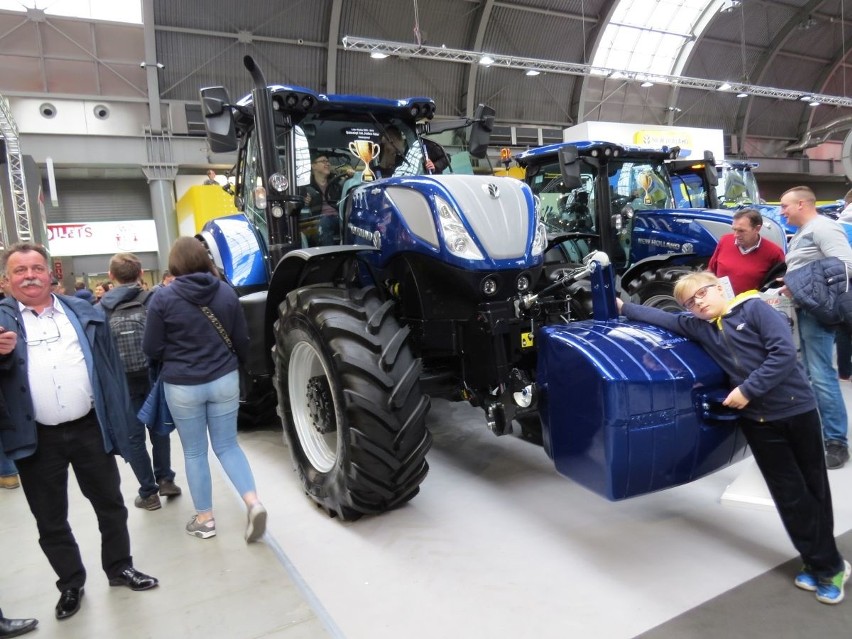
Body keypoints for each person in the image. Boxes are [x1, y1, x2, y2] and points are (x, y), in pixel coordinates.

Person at [617, 271, 850, 605]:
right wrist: (623, 307)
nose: (697, 303)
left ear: (718, 288)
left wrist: (747, 390)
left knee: (814, 488)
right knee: (790, 495)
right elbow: (663, 317)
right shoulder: (700, 327)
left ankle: (820, 560)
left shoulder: (754, 309)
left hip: (797, 411)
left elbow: (783, 354)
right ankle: (829, 566)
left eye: (701, 294)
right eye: (689, 302)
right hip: (760, 422)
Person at [0, 243, 159, 621]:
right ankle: (71, 583)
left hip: (90, 426)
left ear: (50, 274)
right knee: (50, 518)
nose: (29, 276)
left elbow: (109, 370)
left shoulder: (81, 312)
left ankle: (120, 567)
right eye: (20, 271)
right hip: (36, 438)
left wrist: (122, 419)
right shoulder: (2, 324)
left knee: (111, 504)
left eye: (36, 268)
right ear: (7, 281)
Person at [142, 237, 266, 542]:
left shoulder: (162, 298)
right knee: (228, 446)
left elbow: (152, 347)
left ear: (174, 265)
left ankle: (205, 520)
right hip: (223, 379)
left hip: (183, 385)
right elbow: (242, 339)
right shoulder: (225, 291)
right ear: (204, 258)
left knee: (195, 451)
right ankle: (253, 502)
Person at [100, 253, 181, 511]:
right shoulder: (154, 299)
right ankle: (166, 479)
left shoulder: (100, 309)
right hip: (153, 374)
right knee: (159, 426)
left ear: (111, 276)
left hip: (121, 383)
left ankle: (148, 493)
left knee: (133, 437)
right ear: (141, 274)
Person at [780, 185, 852, 469]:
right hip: (806, 309)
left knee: (821, 374)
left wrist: (802, 285)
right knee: (810, 373)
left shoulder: (823, 228)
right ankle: (818, 434)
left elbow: (846, 264)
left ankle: (836, 442)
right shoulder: (803, 232)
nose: (781, 211)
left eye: (785, 206)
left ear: (801, 204)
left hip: (817, 313)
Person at [707, 208, 785, 294]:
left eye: (741, 231)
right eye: (734, 229)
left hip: (752, 305)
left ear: (757, 229)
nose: (736, 235)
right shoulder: (725, 241)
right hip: (722, 303)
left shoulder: (774, 253)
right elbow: (711, 271)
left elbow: (778, 286)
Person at [301, 154, 352, 246]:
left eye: (328, 161)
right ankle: (329, 257)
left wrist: (350, 176)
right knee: (324, 222)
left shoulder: (336, 183)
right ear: (313, 166)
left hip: (339, 217)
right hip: (317, 220)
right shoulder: (305, 187)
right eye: (323, 161)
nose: (327, 163)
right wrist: (304, 200)